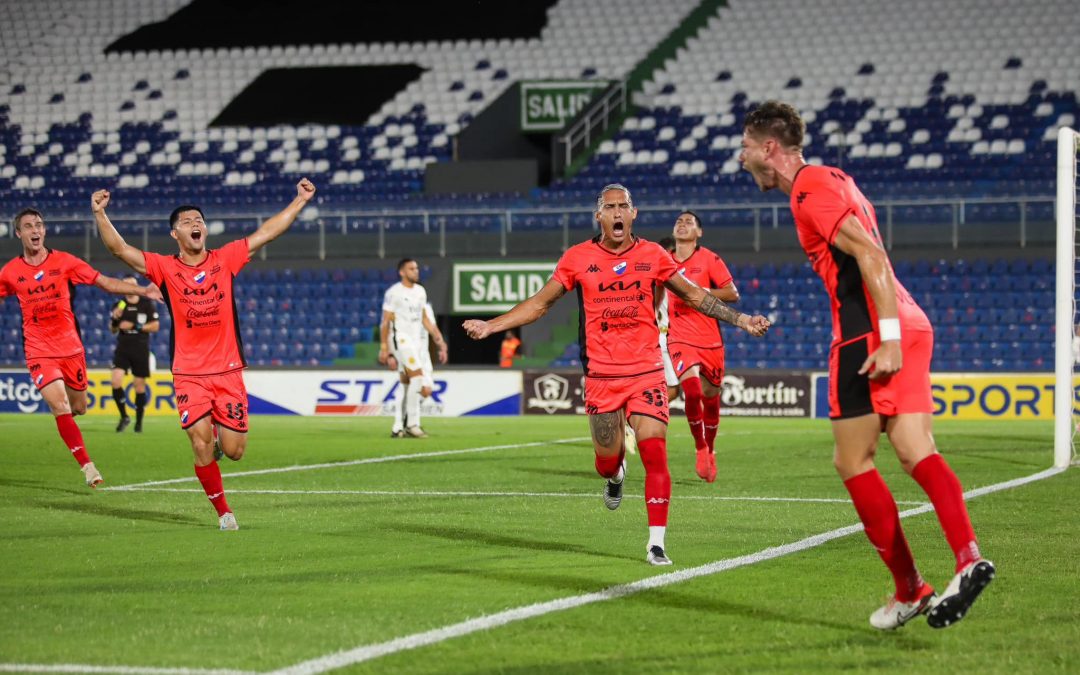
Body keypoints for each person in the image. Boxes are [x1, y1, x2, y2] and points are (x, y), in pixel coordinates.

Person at [739, 100, 994, 630]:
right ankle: (968, 559)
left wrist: (888, 338)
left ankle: (910, 589)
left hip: (869, 330)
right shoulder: (836, 179)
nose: (741, 159)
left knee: (852, 461)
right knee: (916, 449)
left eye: (745, 147)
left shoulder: (809, 189)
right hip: (908, 317)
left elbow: (871, 259)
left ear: (769, 148)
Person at [463, 184, 770, 565]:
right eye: (610, 207)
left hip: (646, 372)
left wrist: (742, 319)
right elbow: (541, 304)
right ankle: (614, 475)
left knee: (655, 452)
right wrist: (492, 326)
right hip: (602, 377)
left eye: (623, 206)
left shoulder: (653, 255)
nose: (617, 212)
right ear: (599, 217)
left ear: (634, 213)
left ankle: (656, 543)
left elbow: (695, 296)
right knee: (606, 461)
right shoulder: (578, 258)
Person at [90, 178, 317, 531]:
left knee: (235, 450)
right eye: (187, 221)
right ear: (175, 234)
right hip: (189, 373)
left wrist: (300, 201)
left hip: (227, 371)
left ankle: (220, 445)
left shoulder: (225, 259)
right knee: (200, 445)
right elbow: (121, 249)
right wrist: (100, 213)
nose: (196, 224)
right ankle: (225, 513)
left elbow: (267, 232)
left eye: (199, 220)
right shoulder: (165, 267)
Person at [0, 208, 161, 488]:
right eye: (28, 226)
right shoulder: (10, 272)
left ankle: (70, 425)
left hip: (70, 348)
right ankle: (88, 466)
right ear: (19, 233)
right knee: (60, 405)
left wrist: (142, 291)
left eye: (39, 225)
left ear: (45, 231)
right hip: (38, 349)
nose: (35, 230)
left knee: (79, 407)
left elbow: (106, 284)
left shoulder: (65, 262)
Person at [666, 211, 739, 483]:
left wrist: (700, 292)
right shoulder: (665, 260)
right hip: (679, 337)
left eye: (689, 222)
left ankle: (710, 447)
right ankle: (699, 447)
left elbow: (732, 293)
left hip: (710, 340)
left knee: (710, 397)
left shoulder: (710, 259)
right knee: (692, 389)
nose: (682, 224)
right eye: (679, 221)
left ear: (699, 233)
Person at [380, 259, 448, 438]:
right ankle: (412, 424)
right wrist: (384, 347)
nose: (416, 271)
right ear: (401, 272)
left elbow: (424, 318)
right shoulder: (393, 293)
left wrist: (437, 337)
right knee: (417, 378)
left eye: (417, 268)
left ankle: (397, 426)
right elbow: (386, 321)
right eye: (411, 268)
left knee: (405, 383)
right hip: (402, 340)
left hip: (417, 343)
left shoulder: (420, 292)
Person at [109, 275, 160, 433]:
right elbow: (113, 330)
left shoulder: (146, 304)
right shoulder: (119, 305)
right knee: (116, 381)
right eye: (126, 285)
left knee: (139, 386)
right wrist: (115, 320)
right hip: (123, 347)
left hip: (140, 347)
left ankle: (139, 423)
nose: (130, 288)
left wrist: (135, 326)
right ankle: (124, 416)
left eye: (132, 285)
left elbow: (155, 326)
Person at [655, 236, 680, 405]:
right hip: (662, 337)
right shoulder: (663, 277)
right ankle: (641, 418)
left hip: (669, 338)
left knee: (673, 389)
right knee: (673, 389)